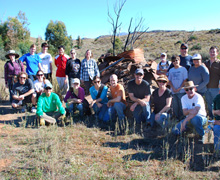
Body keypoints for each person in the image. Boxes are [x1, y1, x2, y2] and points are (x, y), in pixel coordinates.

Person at [168, 55, 188, 120]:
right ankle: (176, 118)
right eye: (173, 61)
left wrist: (180, 88)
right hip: (173, 91)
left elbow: (185, 80)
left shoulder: (183, 69)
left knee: (181, 105)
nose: (175, 62)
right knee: (175, 106)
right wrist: (173, 88)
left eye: (176, 60)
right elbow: (169, 80)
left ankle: (182, 118)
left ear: (179, 61)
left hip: (181, 91)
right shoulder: (171, 70)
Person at [205, 46, 220, 119]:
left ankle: (217, 119)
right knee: (209, 104)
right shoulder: (206, 63)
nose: (212, 53)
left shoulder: (219, 63)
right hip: (207, 88)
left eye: (214, 52)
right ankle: (211, 118)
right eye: (211, 51)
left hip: (216, 88)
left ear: (217, 53)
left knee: (216, 104)